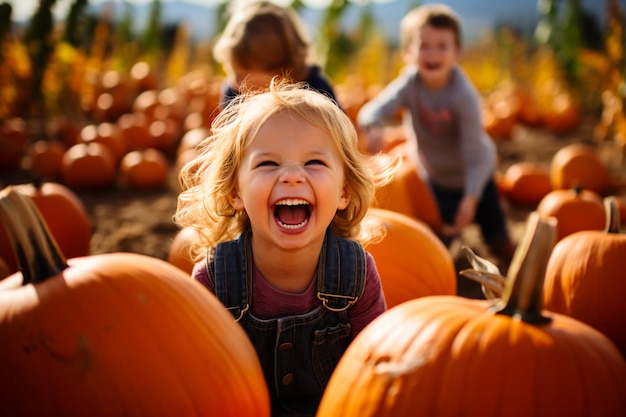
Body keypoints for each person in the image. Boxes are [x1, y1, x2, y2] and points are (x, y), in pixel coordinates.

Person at [174, 80, 395, 417]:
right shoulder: (213, 280)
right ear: (235, 192)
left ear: (344, 192)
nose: (292, 176)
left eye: (314, 163)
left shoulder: (357, 275)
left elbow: (374, 369)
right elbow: (196, 381)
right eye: (268, 164)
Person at [357, 3, 516, 270]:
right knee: (444, 236)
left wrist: (471, 196)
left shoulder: (462, 95)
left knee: (495, 233)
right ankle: (443, 270)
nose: (432, 53)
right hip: (436, 178)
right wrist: (374, 126)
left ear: (457, 53)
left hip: (476, 176)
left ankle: (510, 263)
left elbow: (476, 153)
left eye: (442, 46)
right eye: (424, 45)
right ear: (408, 52)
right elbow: (372, 110)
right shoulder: (410, 83)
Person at [212, 1, 339, 109]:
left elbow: (341, 136)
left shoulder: (318, 94)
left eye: (242, 77)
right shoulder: (234, 94)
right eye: (232, 72)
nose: (235, 81)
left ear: (281, 74)